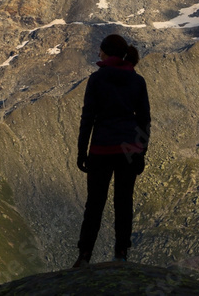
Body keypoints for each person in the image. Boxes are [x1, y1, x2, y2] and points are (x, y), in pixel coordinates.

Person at [72, 33, 150, 267]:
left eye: (101, 50)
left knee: (95, 203)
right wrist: (141, 152)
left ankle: (84, 255)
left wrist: (81, 151)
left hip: (101, 149)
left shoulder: (97, 80)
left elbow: (88, 118)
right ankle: (121, 254)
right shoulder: (137, 81)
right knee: (124, 202)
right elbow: (144, 120)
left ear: (107, 53)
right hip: (128, 149)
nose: (98, 54)